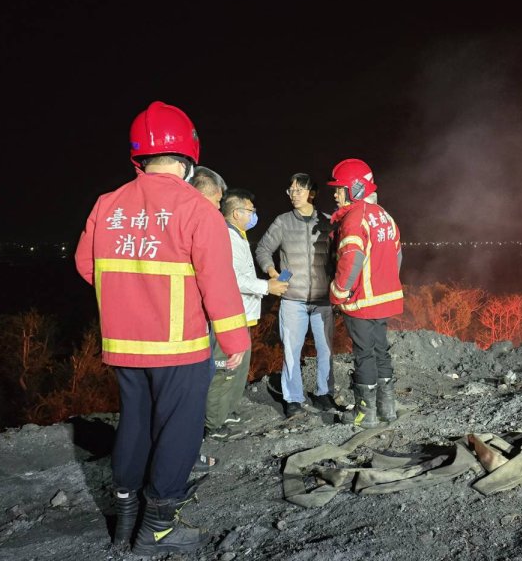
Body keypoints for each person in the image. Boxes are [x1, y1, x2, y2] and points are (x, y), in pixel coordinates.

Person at [74, 101, 250, 556]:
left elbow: (85, 265)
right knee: (179, 429)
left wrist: (130, 297)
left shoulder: (107, 204)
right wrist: (234, 340)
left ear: (139, 156)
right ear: (189, 156)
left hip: (122, 342)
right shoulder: (196, 208)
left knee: (134, 422)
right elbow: (218, 284)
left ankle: (125, 517)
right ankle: (157, 527)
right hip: (180, 345)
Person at [203, 188, 289, 438]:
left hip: (242, 315)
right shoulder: (226, 238)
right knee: (225, 370)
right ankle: (213, 424)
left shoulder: (238, 236)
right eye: (251, 211)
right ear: (237, 212)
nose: (254, 215)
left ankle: (225, 411)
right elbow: (231, 278)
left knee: (238, 370)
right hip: (229, 315)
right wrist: (267, 286)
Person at [327, 158, 404, 429]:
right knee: (381, 350)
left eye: (339, 189)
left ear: (355, 189)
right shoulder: (383, 214)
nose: (335, 195)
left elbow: (352, 258)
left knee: (364, 354)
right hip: (383, 301)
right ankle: (388, 408)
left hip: (361, 302)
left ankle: (365, 413)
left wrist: (338, 293)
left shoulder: (354, 218)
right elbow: (397, 255)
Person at [255, 173, 337, 418]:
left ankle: (324, 393)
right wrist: (272, 271)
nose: (293, 194)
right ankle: (293, 398)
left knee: (326, 350)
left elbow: (339, 256)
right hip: (293, 299)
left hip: (323, 298)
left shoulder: (327, 222)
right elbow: (263, 248)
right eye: (290, 190)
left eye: (299, 190)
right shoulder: (282, 222)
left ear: (312, 193)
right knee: (292, 350)